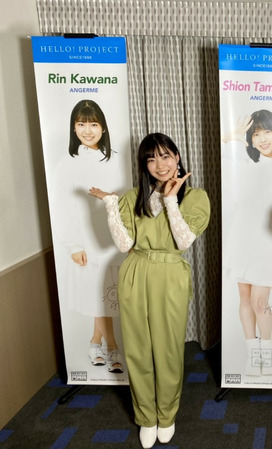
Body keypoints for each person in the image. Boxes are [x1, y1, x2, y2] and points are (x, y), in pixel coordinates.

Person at [89, 133, 210, 448]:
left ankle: (166, 415)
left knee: (168, 350)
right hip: (135, 271)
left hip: (170, 274)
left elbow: (183, 240)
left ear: (177, 157)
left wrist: (170, 199)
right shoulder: (134, 197)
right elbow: (125, 245)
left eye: (165, 156)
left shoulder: (195, 196)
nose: (160, 164)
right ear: (144, 164)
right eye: (151, 159)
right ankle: (146, 417)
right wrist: (111, 205)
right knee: (137, 349)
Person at [221, 110, 272, 377]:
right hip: (242, 238)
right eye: (256, 134)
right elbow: (232, 195)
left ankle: (267, 351)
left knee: (260, 302)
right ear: (251, 140)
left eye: (267, 132)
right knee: (244, 298)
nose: (262, 139)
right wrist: (230, 138)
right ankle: (252, 353)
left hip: (269, 243)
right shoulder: (245, 166)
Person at [53, 99, 125, 373]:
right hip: (86, 241)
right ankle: (112, 347)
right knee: (99, 294)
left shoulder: (116, 159)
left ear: (103, 127)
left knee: (106, 296)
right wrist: (73, 244)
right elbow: (62, 207)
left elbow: (124, 198)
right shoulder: (67, 163)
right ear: (73, 128)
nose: (87, 130)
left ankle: (95, 341)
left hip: (115, 240)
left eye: (93, 124)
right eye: (81, 124)